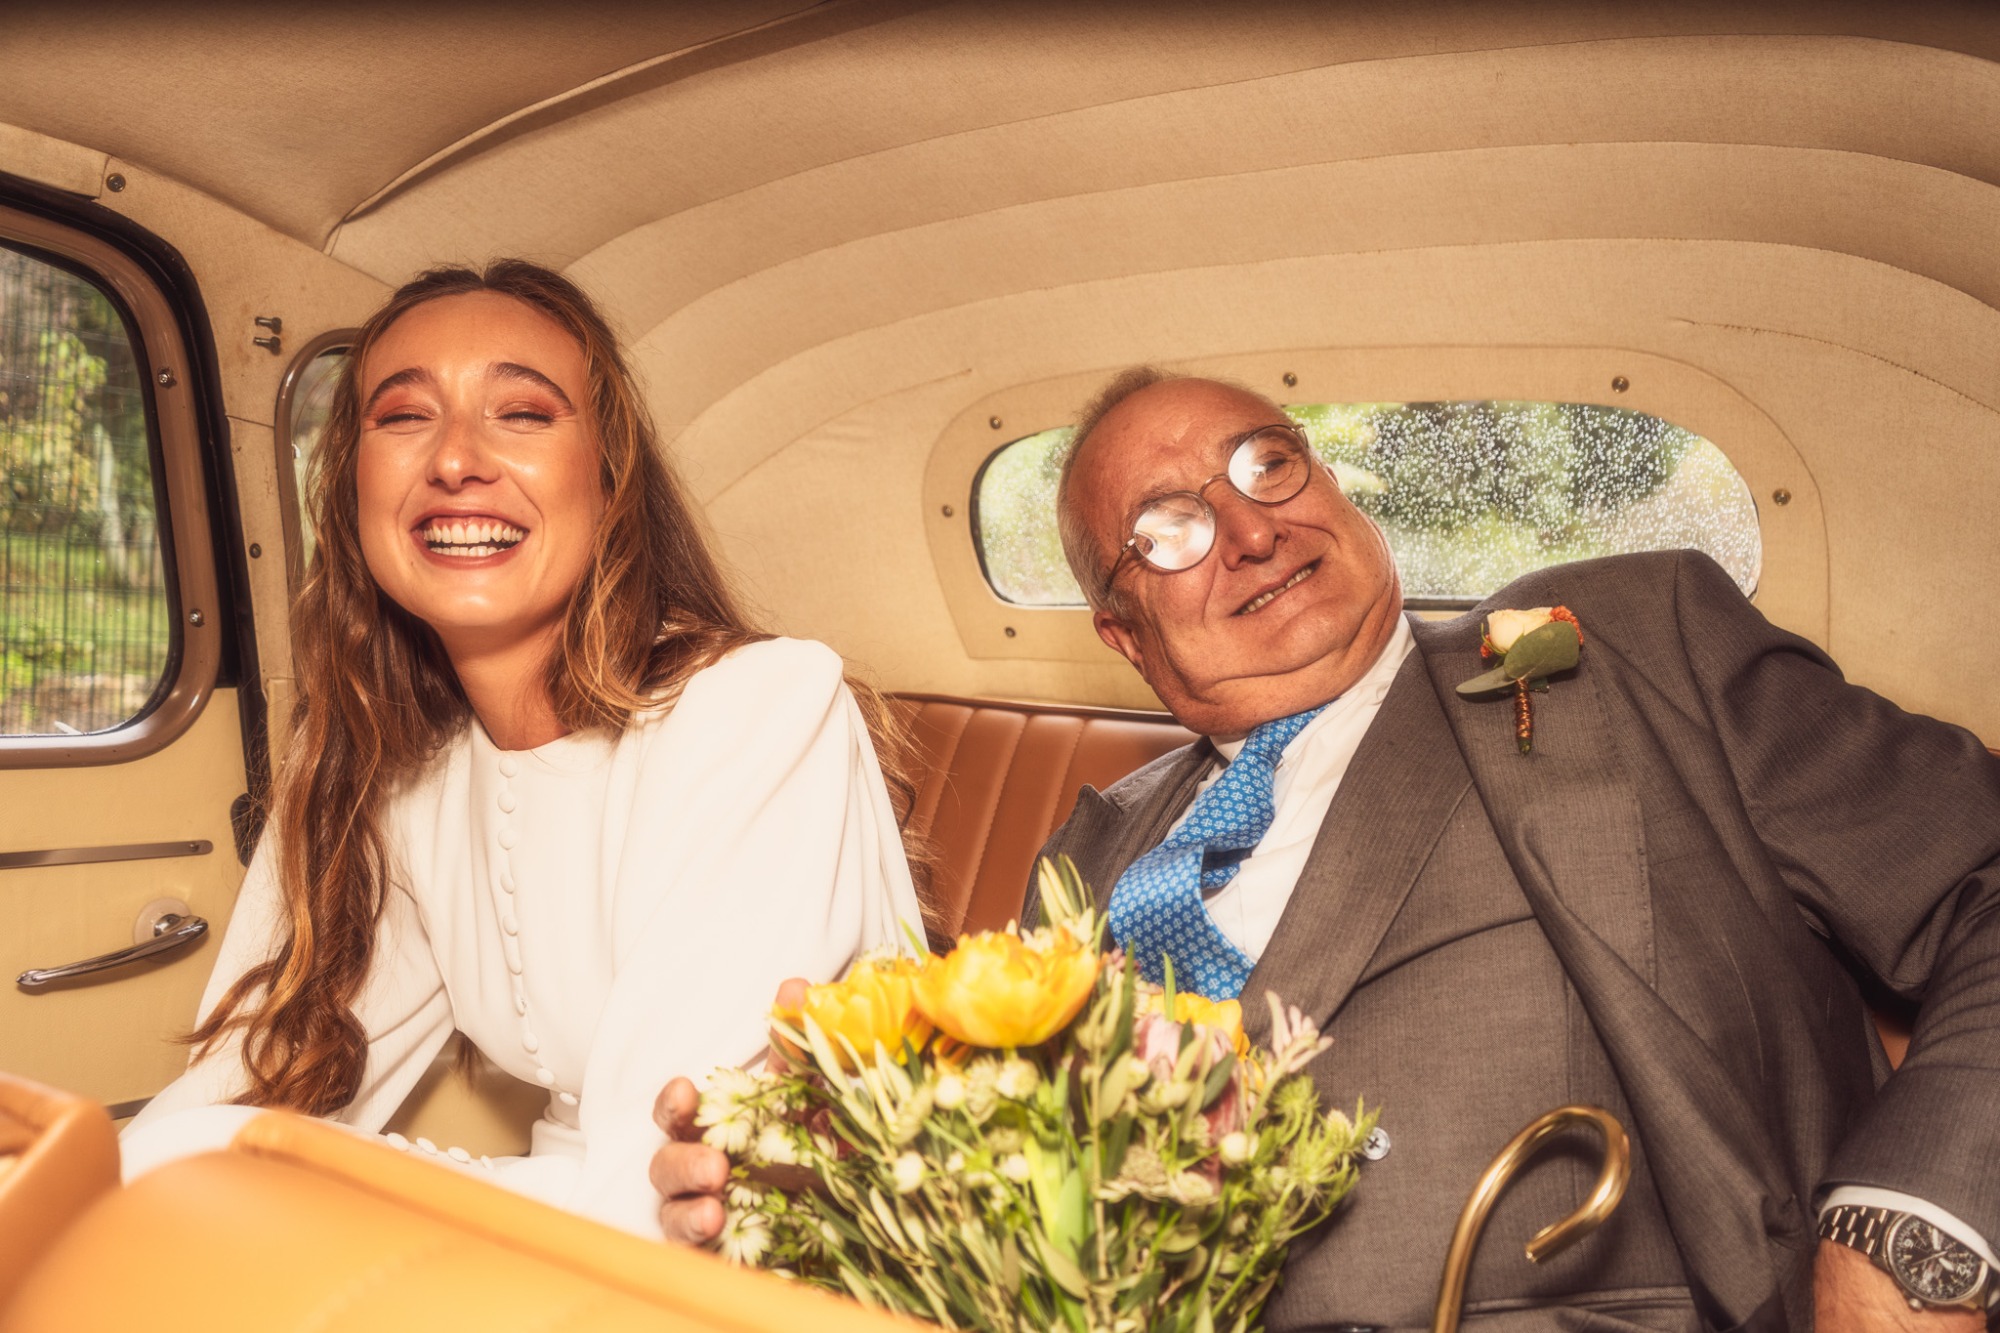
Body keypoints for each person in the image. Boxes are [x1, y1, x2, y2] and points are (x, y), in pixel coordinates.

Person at [653, 369, 2000, 1332]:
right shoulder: (1093, 853)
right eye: (1169, 527)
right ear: (1124, 633)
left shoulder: (1612, 647)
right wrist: (816, 1176)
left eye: (1267, 465)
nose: (1248, 529)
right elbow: (1018, 1203)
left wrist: (1903, 1232)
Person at [122, 260, 929, 1242]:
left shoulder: (762, 706)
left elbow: (670, 1184)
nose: (456, 459)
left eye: (524, 414)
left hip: (761, 1258)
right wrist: (84, 1193)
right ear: (349, 490)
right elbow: (250, 1088)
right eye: (403, 416)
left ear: (610, 478)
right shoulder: (391, 761)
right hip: (577, 1214)